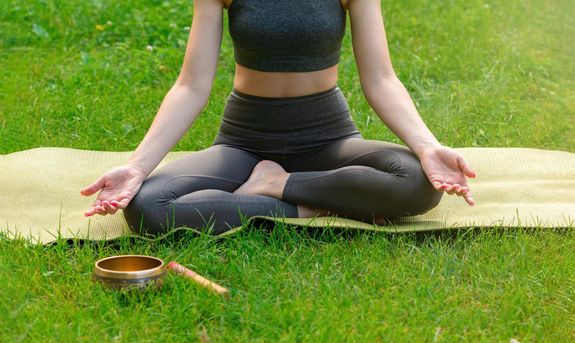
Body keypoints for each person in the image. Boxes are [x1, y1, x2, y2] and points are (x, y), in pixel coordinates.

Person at [80, 0, 476, 235]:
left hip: (328, 138)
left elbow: (381, 79)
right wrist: (136, 167)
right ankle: (312, 205)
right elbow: (191, 85)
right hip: (244, 141)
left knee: (419, 184)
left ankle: (278, 183)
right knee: (147, 205)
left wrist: (427, 147)